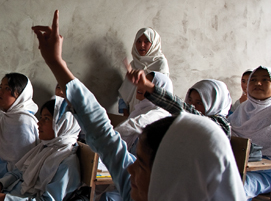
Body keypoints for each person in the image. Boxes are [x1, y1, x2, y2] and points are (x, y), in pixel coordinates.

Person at [32, 10, 245, 200]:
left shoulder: (145, 188)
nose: (130, 168)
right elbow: (104, 135)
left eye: (142, 163)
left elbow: (108, 136)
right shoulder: (140, 191)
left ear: (174, 176)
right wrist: (56, 63)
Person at [0, 99, 81, 201]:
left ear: (62, 124)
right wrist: (0, 184)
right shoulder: (44, 148)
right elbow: (19, 173)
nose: (39, 123)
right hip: (12, 193)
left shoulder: (66, 163)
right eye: (41, 118)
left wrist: (5, 199)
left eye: (46, 119)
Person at [229, 66, 271, 199]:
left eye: (265, 79)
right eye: (253, 80)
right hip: (237, 165)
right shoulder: (241, 109)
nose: (258, 83)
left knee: (237, 186)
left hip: (265, 171)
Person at [114, 71, 173, 153]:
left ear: (159, 90)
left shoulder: (160, 113)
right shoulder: (141, 108)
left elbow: (134, 125)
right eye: (142, 82)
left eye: (147, 85)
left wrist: (109, 136)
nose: (140, 87)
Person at [118, 28, 169, 116]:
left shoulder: (160, 64)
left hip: (151, 116)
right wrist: (126, 115)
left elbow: (161, 94)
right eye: (139, 41)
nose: (142, 45)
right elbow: (124, 93)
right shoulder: (134, 64)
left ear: (154, 44)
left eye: (146, 41)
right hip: (132, 114)